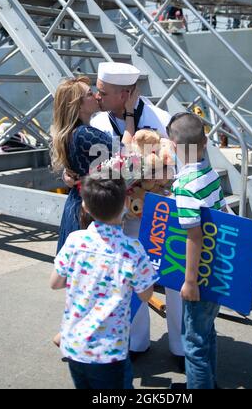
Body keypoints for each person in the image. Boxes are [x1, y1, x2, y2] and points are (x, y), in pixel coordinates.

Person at [90, 62, 184, 362]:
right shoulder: (99, 123)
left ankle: (181, 347)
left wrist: (156, 176)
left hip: (163, 212)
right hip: (124, 216)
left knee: (172, 277)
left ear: (126, 94)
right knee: (129, 278)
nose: (97, 96)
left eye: (103, 92)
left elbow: (180, 167)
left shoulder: (162, 118)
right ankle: (135, 342)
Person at [50, 175, 158, 389]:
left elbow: (55, 282)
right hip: (110, 352)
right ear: (126, 204)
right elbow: (146, 295)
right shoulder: (133, 249)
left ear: (85, 206)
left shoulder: (75, 241)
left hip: (74, 346)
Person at [167, 112, 227, 390]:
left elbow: (194, 234)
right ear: (204, 142)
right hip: (215, 266)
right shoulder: (209, 174)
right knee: (207, 333)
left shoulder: (184, 187)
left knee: (193, 344)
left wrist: (190, 281)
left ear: (173, 145)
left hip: (199, 274)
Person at [51, 75, 137, 254]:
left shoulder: (71, 132)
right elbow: (125, 153)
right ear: (79, 105)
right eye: (90, 94)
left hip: (76, 202)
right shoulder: (85, 133)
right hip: (91, 208)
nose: (97, 96)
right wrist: (129, 114)